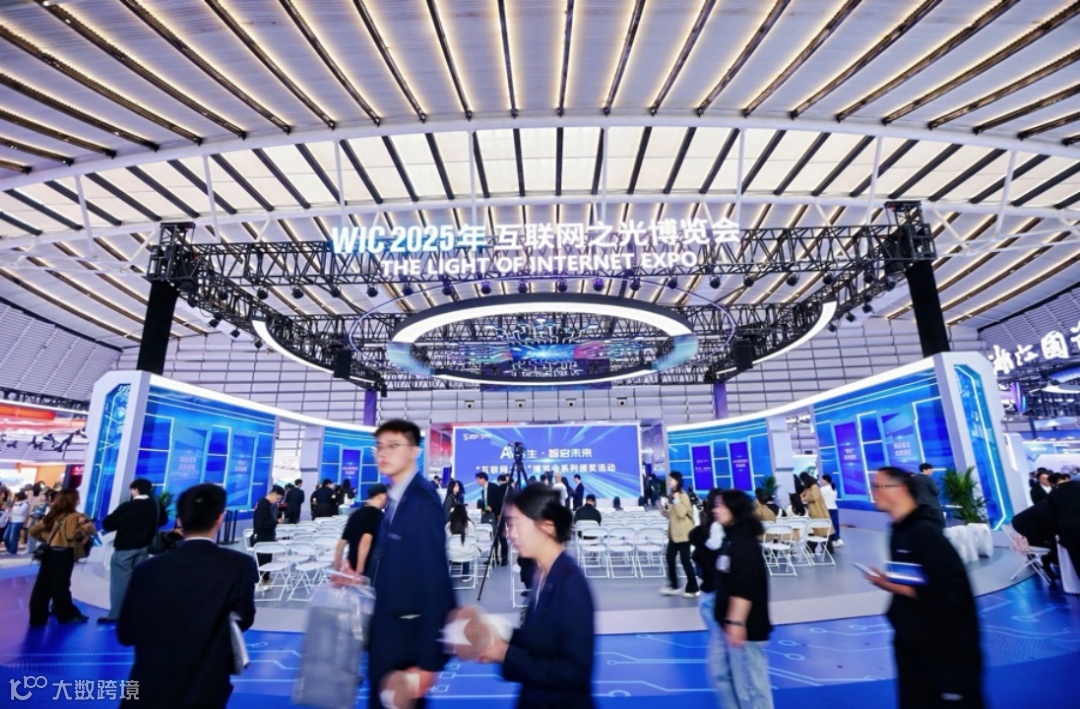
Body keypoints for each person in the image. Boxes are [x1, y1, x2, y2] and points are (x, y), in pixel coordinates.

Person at [118, 483, 258, 708]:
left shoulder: (147, 569)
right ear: (219, 518)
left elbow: (126, 633)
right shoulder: (238, 566)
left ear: (180, 520)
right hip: (204, 688)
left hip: (147, 689)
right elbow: (244, 618)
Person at [863, 466, 983, 708]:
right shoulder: (901, 531)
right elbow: (919, 578)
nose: (874, 492)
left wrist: (891, 585)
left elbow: (946, 590)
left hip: (944, 651)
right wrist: (892, 582)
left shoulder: (925, 533)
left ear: (900, 489)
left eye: (879, 486)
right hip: (913, 645)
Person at [469, 483, 596, 707]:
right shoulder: (541, 574)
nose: (510, 534)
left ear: (547, 527)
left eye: (517, 524)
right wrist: (499, 637)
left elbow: (575, 673)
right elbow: (540, 641)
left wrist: (506, 654)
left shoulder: (571, 584)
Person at [366, 419, 456, 709]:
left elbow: (436, 580)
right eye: (379, 446)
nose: (383, 453)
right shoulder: (396, 497)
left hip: (406, 641)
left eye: (393, 445)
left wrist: (429, 661)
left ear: (415, 451)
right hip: (387, 631)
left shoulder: (422, 500)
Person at [710, 489, 774, 708]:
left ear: (734, 510)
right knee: (725, 675)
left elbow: (745, 584)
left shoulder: (743, 543)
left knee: (750, 686)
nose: (716, 510)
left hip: (746, 628)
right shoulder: (732, 538)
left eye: (720, 506)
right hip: (729, 624)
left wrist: (737, 621)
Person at [99, 478, 168, 624]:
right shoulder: (156, 505)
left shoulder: (127, 506)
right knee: (138, 582)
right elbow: (163, 521)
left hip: (124, 549)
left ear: (135, 489)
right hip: (144, 548)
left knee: (120, 583)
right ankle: (135, 613)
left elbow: (108, 524)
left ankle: (116, 616)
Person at [27, 489, 96, 626]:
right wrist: (85, 528)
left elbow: (33, 530)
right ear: (73, 500)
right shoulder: (76, 516)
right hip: (64, 554)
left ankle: (37, 617)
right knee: (61, 586)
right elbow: (71, 535)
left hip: (49, 553)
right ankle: (66, 615)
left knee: (42, 586)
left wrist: (46, 539)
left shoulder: (52, 515)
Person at [334, 483, 388, 577]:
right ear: (380, 496)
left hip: (351, 568)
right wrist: (360, 572)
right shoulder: (377, 515)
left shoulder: (355, 515)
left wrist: (336, 570)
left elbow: (341, 543)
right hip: (369, 569)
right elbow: (366, 540)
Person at [660, 472, 700, 598]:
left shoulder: (683, 496)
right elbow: (674, 515)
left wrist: (676, 499)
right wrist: (665, 513)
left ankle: (693, 588)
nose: (669, 482)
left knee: (685, 561)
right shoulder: (673, 496)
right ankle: (674, 585)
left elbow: (682, 513)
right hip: (674, 534)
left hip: (683, 534)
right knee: (670, 558)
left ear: (677, 481)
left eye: (671, 480)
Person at [1048, 474, 1080, 574]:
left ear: (1052, 483)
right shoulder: (1077, 486)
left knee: (1077, 557)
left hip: (1068, 530)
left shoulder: (1052, 494)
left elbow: (1053, 517)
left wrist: (1060, 537)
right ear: (1065, 478)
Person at [253, 485, 284, 584]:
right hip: (263, 537)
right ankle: (261, 579)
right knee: (263, 560)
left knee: (267, 559)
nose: (277, 501)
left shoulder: (266, 505)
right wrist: (276, 522)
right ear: (273, 495)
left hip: (267, 536)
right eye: (278, 498)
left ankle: (265, 578)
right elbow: (262, 523)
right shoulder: (263, 505)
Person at [476, 472, 508, 564]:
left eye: (478, 479)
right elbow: (486, 503)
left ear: (483, 479)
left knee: (501, 536)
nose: (477, 482)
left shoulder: (494, 487)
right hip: (489, 516)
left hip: (498, 515)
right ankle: (494, 558)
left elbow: (501, 501)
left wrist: (498, 512)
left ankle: (504, 557)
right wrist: (483, 510)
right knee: (493, 537)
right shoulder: (483, 491)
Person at [798, 472, 833, 551]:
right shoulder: (809, 487)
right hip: (814, 511)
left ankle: (827, 549)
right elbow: (803, 494)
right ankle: (811, 549)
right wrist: (802, 496)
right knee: (816, 531)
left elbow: (814, 497)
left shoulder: (814, 487)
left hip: (819, 511)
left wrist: (804, 498)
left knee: (822, 531)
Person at [912, 462, 945, 528]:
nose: (932, 471)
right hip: (933, 506)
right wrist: (938, 487)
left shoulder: (914, 479)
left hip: (920, 507)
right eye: (930, 470)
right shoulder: (928, 479)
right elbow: (936, 491)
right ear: (924, 470)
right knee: (940, 526)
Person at [820, 474, 842, 547]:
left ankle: (830, 540)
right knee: (835, 524)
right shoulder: (834, 488)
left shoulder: (822, 489)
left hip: (826, 508)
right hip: (834, 507)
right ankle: (837, 538)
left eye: (822, 479)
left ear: (825, 480)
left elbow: (821, 499)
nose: (822, 481)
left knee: (828, 525)